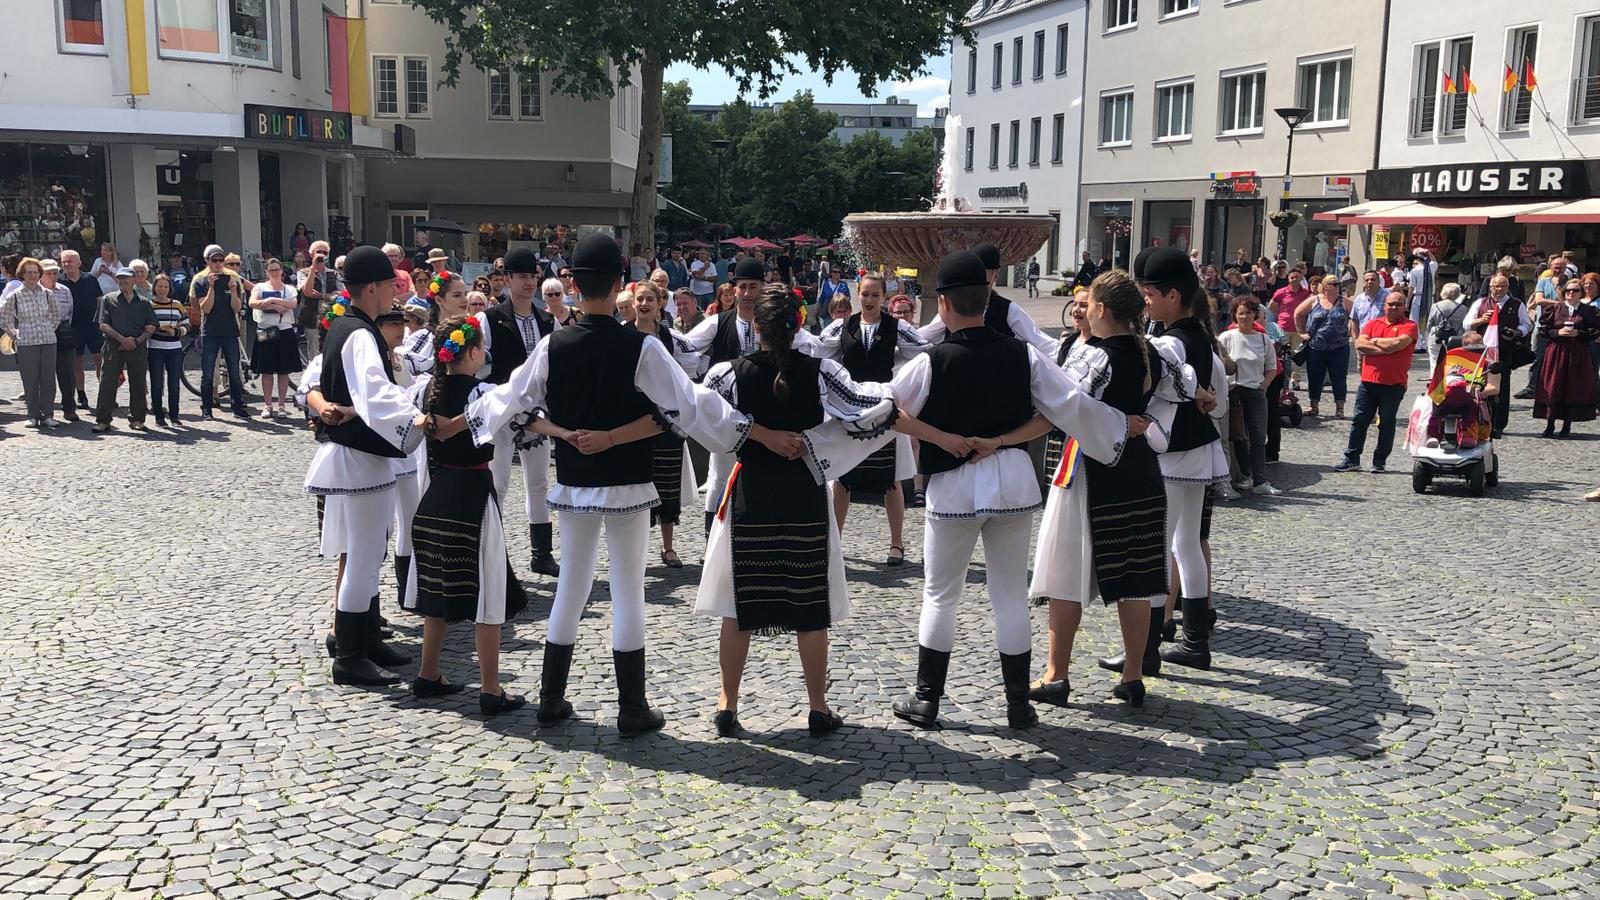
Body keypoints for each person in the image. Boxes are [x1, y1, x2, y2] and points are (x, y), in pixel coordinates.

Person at [461, 232, 760, 736]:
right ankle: (631, 707)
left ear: (573, 284)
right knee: (626, 591)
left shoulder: (553, 345)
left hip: (575, 484)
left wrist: (469, 413)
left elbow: (511, 399)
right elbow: (688, 403)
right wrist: (746, 431)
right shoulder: (640, 346)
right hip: (626, 482)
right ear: (620, 283)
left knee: (570, 590)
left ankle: (551, 699)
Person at [888, 250, 1145, 731]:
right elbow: (1063, 407)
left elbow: (886, 410)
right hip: (1011, 482)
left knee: (941, 594)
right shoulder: (1023, 354)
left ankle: (927, 700)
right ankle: (1017, 704)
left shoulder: (932, 360)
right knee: (1008, 594)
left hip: (955, 486)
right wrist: (1006, 439)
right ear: (986, 300)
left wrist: (943, 438)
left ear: (942, 303)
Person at [696, 285, 899, 737]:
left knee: (740, 604)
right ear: (800, 324)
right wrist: (907, 390)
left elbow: (700, 414)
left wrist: (753, 433)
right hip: (805, 491)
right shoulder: (822, 371)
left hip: (751, 492)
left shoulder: (728, 373)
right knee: (810, 606)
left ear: (754, 326)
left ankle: (727, 703)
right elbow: (865, 406)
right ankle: (817, 706)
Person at [1026, 271, 1175, 709]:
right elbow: (1188, 390)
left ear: (1102, 310)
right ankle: (1133, 674)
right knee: (1135, 574)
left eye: (1089, 304)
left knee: (1064, 571)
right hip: (1141, 468)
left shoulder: (1094, 358)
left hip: (1089, 469)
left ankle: (1057, 674)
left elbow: (1060, 405)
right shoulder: (1154, 354)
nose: (1084, 311)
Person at [303, 245, 424, 687]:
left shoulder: (347, 327)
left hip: (358, 455)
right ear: (371, 287)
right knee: (365, 556)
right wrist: (416, 415)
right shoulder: (359, 333)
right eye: (391, 284)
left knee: (365, 553)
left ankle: (367, 637)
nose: (395, 292)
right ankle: (350, 655)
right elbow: (374, 391)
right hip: (360, 456)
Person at [402, 316, 531, 715]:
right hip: (473, 496)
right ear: (472, 352)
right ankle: (491, 688)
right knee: (488, 593)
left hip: (436, 495)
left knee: (437, 587)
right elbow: (520, 416)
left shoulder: (427, 392)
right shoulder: (484, 392)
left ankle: (428, 673)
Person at [800, 272, 929, 566]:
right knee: (843, 480)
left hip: (883, 408)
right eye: (865, 294)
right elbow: (818, 348)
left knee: (891, 480)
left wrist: (902, 379)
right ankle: (835, 541)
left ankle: (897, 544)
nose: (869, 300)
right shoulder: (843, 326)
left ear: (884, 297)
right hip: (849, 408)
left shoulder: (897, 326)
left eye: (875, 295)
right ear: (858, 295)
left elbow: (922, 352)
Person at [1139, 246, 1227, 672]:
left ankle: (1147, 648)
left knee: (1160, 548)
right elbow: (1221, 402)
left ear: (1174, 295)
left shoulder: (1167, 343)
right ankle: (1194, 641)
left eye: (1151, 293)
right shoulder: (1202, 340)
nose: (1146, 300)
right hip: (1198, 449)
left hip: (1171, 451)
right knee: (1187, 544)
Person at [484, 247, 562, 577]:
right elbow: (483, 365)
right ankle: (494, 553)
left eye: (533, 276)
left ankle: (541, 553)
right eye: (522, 277)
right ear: (508, 279)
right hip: (503, 409)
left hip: (538, 412)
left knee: (539, 481)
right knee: (498, 482)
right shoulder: (490, 319)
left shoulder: (548, 320)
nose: (529, 282)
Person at [678, 257, 769, 534]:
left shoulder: (772, 323)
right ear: (735, 289)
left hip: (766, 410)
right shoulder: (718, 323)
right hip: (727, 412)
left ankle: (756, 534)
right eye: (743, 287)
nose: (748, 293)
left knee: (762, 474)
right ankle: (712, 537)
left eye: (754, 286)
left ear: (763, 288)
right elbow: (685, 345)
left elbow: (807, 347)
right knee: (719, 476)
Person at [628, 282, 699, 568]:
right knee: (637, 483)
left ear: (659, 304)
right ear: (633, 302)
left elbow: (686, 372)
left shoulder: (671, 337)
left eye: (649, 299)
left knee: (668, 485)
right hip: (633, 418)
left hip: (667, 420)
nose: (644, 303)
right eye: (640, 298)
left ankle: (668, 547)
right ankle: (636, 549)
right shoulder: (624, 335)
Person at [918, 243, 1060, 359]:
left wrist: (1071, 351)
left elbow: (1040, 342)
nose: (975, 279)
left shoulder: (1008, 310)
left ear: (995, 275)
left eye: (981, 273)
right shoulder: (954, 306)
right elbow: (925, 336)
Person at [1335, 290, 1417, 472]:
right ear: (1385, 306)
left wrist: (1377, 342)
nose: (1394, 307)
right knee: (1359, 420)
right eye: (1390, 304)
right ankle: (1352, 459)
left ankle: (1379, 461)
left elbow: (1399, 344)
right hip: (1368, 381)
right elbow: (1360, 344)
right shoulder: (1373, 323)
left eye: (1398, 304)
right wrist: (1387, 348)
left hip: (1394, 383)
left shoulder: (1410, 325)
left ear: (1404, 307)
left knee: (1386, 422)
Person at [1219, 298, 1278, 495]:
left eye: (1249, 312)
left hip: (1256, 392)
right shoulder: (1226, 337)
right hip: (1234, 391)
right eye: (1241, 313)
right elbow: (1219, 365)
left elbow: (1272, 367)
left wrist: (1264, 385)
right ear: (1235, 314)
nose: (1245, 316)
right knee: (1239, 436)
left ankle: (1260, 480)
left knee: (1259, 436)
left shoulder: (1263, 339)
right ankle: (1244, 477)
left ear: (1255, 315)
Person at [0, 257, 69, 427]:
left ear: (39, 274)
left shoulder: (47, 294)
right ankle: (33, 414)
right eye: (29, 272)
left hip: (48, 340)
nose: (32, 275)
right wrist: (14, 333)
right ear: (22, 274)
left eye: (35, 272)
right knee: (30, 379)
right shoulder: (15, 295)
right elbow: (4, 317)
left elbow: (56, 314)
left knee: (48, 379)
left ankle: (47, 414)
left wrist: (49, 328)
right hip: (26, 342)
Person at [90, 267, 157, 434]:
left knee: (138, 383)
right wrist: (122, 339)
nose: (123, 282)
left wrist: (136, 341)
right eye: (120, 279)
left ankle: (137, 419)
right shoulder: (108, 299)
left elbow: (151, 326)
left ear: (133, 280)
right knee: (108, 383)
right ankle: (103, 420)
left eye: (126, 278)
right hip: (113, 346)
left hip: (137, 347)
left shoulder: (144, 302)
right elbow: (103, 324)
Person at [1533, 276, 1600, 438]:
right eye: (1568, 290)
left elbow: (1595, 331)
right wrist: (1557, 332)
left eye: (1575, 290)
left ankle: (1566, 425)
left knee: (1572, 386)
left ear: (1580, 293)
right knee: (1553, 384)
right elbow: (1543, 329)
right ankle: (1550, 424)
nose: (1571, 293)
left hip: (1578, 353)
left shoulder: (1588, 311)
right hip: (1556, 351)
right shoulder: (1555, 309)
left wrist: (1579, 333)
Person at [1466, 274, 1531, 437]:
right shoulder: (1480, 303)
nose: (1499, 289)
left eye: (1503, 286)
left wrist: (1517, 332)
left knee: (1501, 388)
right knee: (1479, 384)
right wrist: (1481, 320)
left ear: (1508, 288)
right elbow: (1466, 324)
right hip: (1482, 351)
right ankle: (1478, 420)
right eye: (1496, 286)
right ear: (1490, 287)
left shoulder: (1516, 304)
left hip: (1504, 350)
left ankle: (1498, 424)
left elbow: (1527, 325)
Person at [192, 245, 251, 419]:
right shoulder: (200, 281)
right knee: (208, 371)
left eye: (220, 260)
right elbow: (206, 308)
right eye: (214, 260)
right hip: (210, 331)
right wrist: (211, 287)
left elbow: (237, 308)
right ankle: (207, 408)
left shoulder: (233, 278)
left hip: (230, 331)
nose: (218, 264)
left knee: (234, 371)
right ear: (207, 261)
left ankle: (237, 407)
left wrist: (233, 290)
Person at [1295, 275, 1353, 418]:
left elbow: (1355, 317)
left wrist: (1351, 331)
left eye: (1338, 284)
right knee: (1315, 377)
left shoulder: (1344, 302)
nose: (1337, 286)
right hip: (1316, 347)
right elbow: (1298, 313)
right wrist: (1301, 333)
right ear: (1326, 285)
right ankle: (1313, 406)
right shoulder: (1315, 300)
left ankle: (1340, 409)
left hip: (1339, 347)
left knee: (1339, 378)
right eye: (1334, 283)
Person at [249, 259, 301, 417]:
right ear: (266, 272)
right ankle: (267, 404)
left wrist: (274, 301)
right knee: (266, 370)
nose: (275, 272)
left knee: (284, 371)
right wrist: (271, 305)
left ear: (281, 271)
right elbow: (253, 302)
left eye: (277, 269)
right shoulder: (260, 287)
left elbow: (293, 304)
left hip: (284, 331)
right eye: (271, 270)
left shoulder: (289, 289)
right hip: (266, 331)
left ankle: (282, 405)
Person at [60, 249, 103, 407]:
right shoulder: (60, 282)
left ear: (78, 263)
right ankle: (81, 394)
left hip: (93, 326)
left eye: (70, 261)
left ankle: (105, 392)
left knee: (100, 360)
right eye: (64, 262)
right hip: (72, 328)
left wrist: (102, 321)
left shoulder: (90, 279)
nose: (67, 264)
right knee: (76, 362)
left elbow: (100, 301)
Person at [39, 259, 80, 422]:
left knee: (67, 373)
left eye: (55, 273)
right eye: (48, 273)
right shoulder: (36, 291)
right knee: (45, 374)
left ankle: (69, 408)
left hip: (62, 333)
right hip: (42, 332)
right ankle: (46, 410)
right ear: (41, 274)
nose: (52, 276)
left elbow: (70, 312)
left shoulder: (65, 290)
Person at [146, 272, 188, 427]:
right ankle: (159, 416)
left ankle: (174, 416)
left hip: (174, 348)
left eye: (165, 286)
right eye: (159, 286)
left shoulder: (176, 304)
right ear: (154, 288)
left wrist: (176, 332)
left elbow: (186, 324)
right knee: (157, 383)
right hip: (155, 348)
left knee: (174, 384)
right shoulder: (149, 305)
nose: (162, 289)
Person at [1271, 267, 1310, 389]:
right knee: (1282, 356)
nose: (1294, 279)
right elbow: (1272, 306)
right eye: (1292, 277)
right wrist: (1279, 316)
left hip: (1299, 329)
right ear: (1288, 278)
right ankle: (1283, 378)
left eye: (1297, 277)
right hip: (1283, 328)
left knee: (1296, 356)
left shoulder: (1306, 294)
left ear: (1301, 278)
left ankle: (1295, 380)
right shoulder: (1281, 292)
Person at [299, 241, 336, 356]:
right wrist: (312, 269)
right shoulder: (303, 272)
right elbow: (307, 292)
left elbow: (341, 294)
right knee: (314, 352)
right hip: (312, 317)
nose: (321, 255)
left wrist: (320, 295)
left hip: (331, 316)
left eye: (325, 252)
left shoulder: (333, 273)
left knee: (331, 349)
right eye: (318, 252)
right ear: (311, 254)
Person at [1424, 283, 1469, 372]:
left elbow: (1429, 323)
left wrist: (1427, 338)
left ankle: (1434, 382)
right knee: (1454, 364)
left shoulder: (1435, 306)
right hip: (1456, 338)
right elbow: (1465, 325)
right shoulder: (1463, 308)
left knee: (1435, 363)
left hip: (1437, 336)